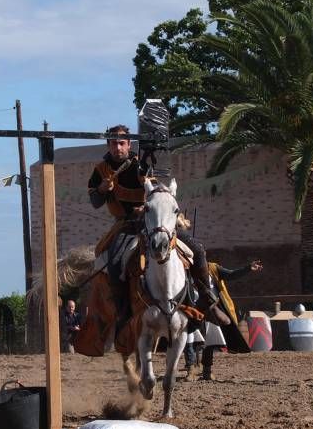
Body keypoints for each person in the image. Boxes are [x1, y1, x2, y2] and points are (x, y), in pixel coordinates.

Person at [88, 124, 229, 329]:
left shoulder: (140, 165)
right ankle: (123, 312)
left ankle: (208, 302)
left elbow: (155, 193)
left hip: (153, 221)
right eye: (113, 143)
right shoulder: (100, 170)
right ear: (108, 145)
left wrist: (144, 208)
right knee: (116, 263)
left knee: (197, 249)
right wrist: (101, 189)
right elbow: (95, 202)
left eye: (121, 143)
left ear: (129, 144)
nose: (117, 147)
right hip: (125, 225)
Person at [199, 259, 263, 380]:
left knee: (212, 335)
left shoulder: (213, 268)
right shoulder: (188, 270)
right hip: (196, 308)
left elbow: (231, 274)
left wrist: (248, 268)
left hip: (215, 308)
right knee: (192, 338)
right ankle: (193, 368)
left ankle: (206, 370)